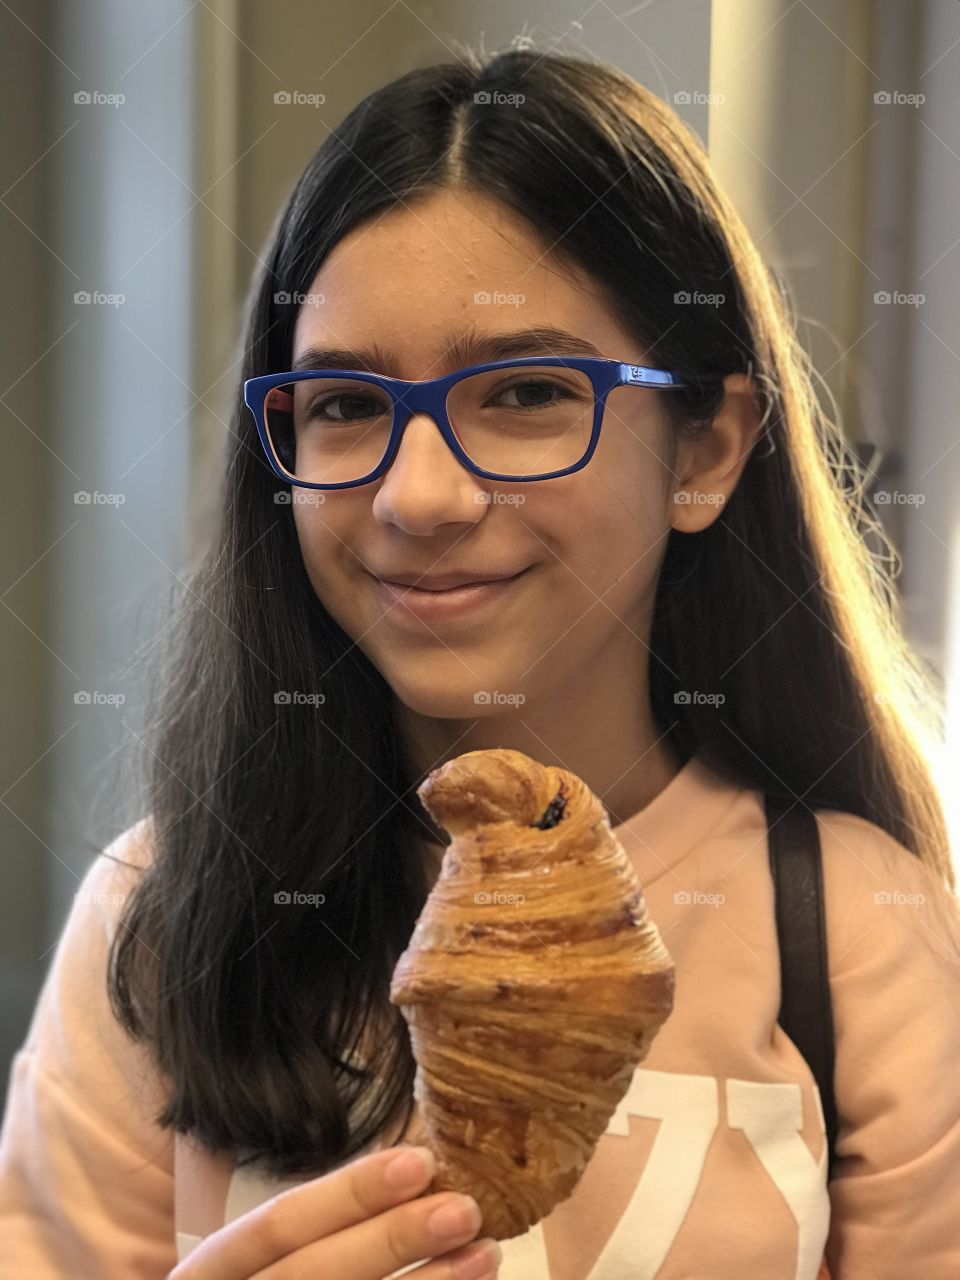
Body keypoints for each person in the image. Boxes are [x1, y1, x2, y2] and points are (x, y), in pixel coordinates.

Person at [2, 44, 959, 1280]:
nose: (423, 494)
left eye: (523, 392)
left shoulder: (856, 929)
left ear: (705, 450)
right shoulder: (155, 922)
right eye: (345, 404)